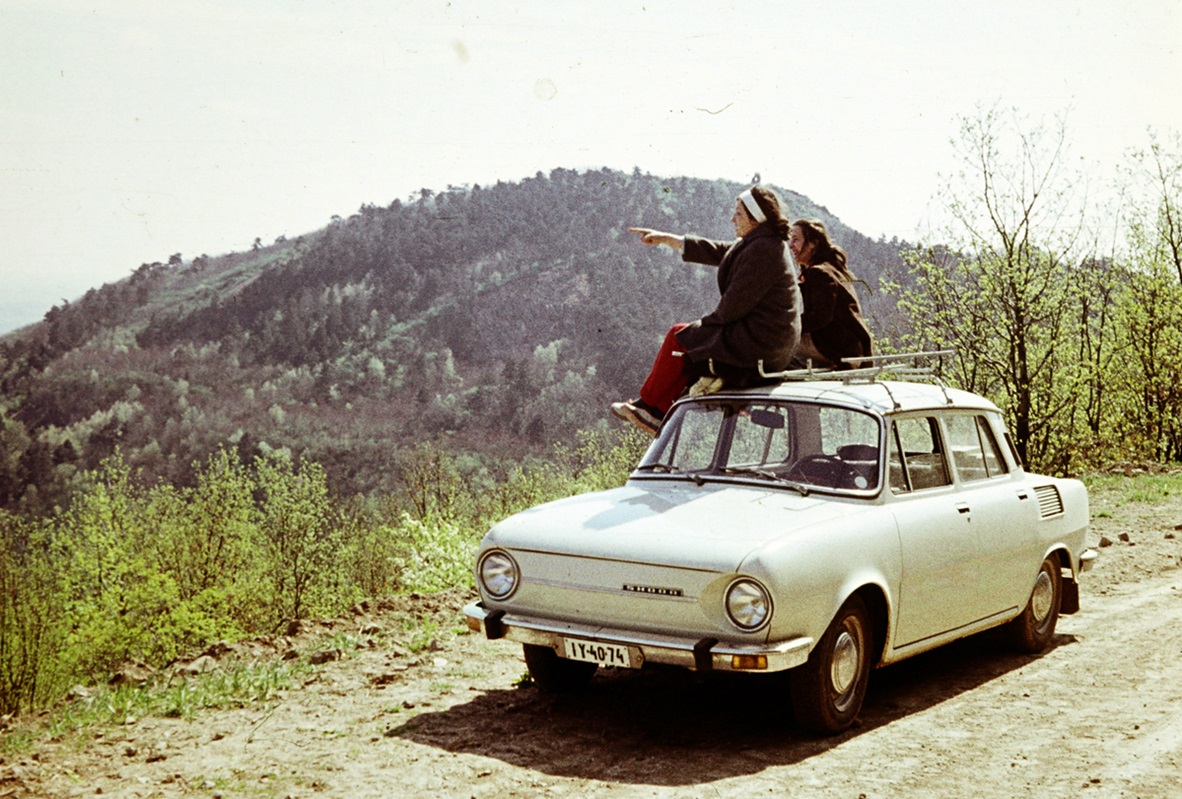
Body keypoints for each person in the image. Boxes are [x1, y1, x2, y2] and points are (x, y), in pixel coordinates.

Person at [612, 186, 801, 436]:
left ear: (756, 219)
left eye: (739, 214)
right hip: (762, 337)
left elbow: (732, 308)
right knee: (690, 340)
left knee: (680, 336)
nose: (732, 219)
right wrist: (666, 238)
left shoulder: (764, 249)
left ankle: (650, 408)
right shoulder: (759, 243)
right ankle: (654, 410)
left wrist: (701, 329)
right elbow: (720, 251)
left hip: (761, 342)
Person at [787, 218, 872, 370]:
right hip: (851, 349)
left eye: (796, 239)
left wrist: (785, 325)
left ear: (813, 243)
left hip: (837, 350)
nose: (791, 245)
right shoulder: (831, 268)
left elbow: (820, 317)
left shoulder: (819, 273)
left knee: (775, 346)